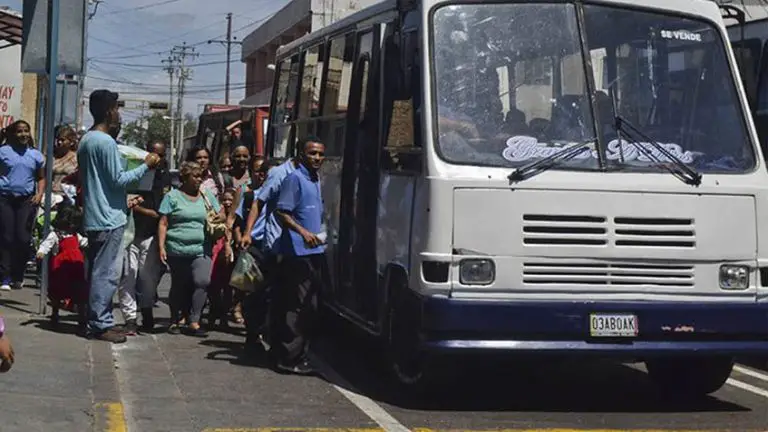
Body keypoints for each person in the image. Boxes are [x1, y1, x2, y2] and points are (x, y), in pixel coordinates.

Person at [78, 89, 162, 343]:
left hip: (96, 213)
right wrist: (146, 165)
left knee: (96, 271)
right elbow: (117, 180)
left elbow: (100, 182)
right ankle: (100, 324)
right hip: (109, 217)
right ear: (108, 111)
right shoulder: (105, 142)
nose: (119, 113)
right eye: (116, 108)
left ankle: (94, 319)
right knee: (107, 274)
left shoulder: (87, 140)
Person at [272, 137, 328, 375]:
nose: (317, 158)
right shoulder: (295, 178)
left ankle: (299, 355)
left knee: (310, 307)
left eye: (320, 154)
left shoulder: (314, 179)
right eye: (312, 153)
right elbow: (282, 212)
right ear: (302, 155)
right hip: (297, 253)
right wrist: (303, 232)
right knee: (296, 306)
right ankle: (288, 358)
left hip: (315, 251)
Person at [158, 161, 222, 337]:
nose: (199, 180)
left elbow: (219, 213)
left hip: (201, 249)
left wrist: (219, 218)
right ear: (184, 178)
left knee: (202, 281)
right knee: (179, 285)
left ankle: (194, 320)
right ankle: (174, 320)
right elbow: (163, 222)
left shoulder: (206, 195)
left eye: (200, 176)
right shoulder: (172, 197)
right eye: (195, 176)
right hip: (177, 249)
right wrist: (161, 247)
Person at [132, 141, 172, 333]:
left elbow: (163, 206)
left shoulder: (165, 177)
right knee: (129, 275)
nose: (158, 158)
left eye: (161, 155)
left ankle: (146, 313)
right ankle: (132, 315)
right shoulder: (137, 172)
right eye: (154, 154)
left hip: (153, 234)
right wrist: (144, 210)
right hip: (132, 231)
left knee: (147, 275)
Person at [0, 120, 44, 291]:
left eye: (26, 131)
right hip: (5, 199)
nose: (23, 134)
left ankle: (18, 275)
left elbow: (41, 177)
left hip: (26, 200)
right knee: (7, 236)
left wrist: (39, 194)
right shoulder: (3, 152)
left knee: (23, 238)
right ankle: (4, 276)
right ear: (12, 134)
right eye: (19, 131)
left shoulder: (35, 155)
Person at [36, 205, 88, 331]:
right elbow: (46, 243)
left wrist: (90, 243)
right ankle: (55, 313)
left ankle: (82, 317)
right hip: (61, 268)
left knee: (79, 292)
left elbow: (84, 242)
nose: (72, 226)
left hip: (76, 267)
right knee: (57, 291)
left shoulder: (76, 235)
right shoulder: (56, 234)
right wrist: (41, 251)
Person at [51, 124, 79, 199]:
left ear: (71, 142)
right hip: (52, 196)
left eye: (63, 140)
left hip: (68, 197)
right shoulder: (52, 157)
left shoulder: (77, 158)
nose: (59, 142)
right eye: (58, 139)